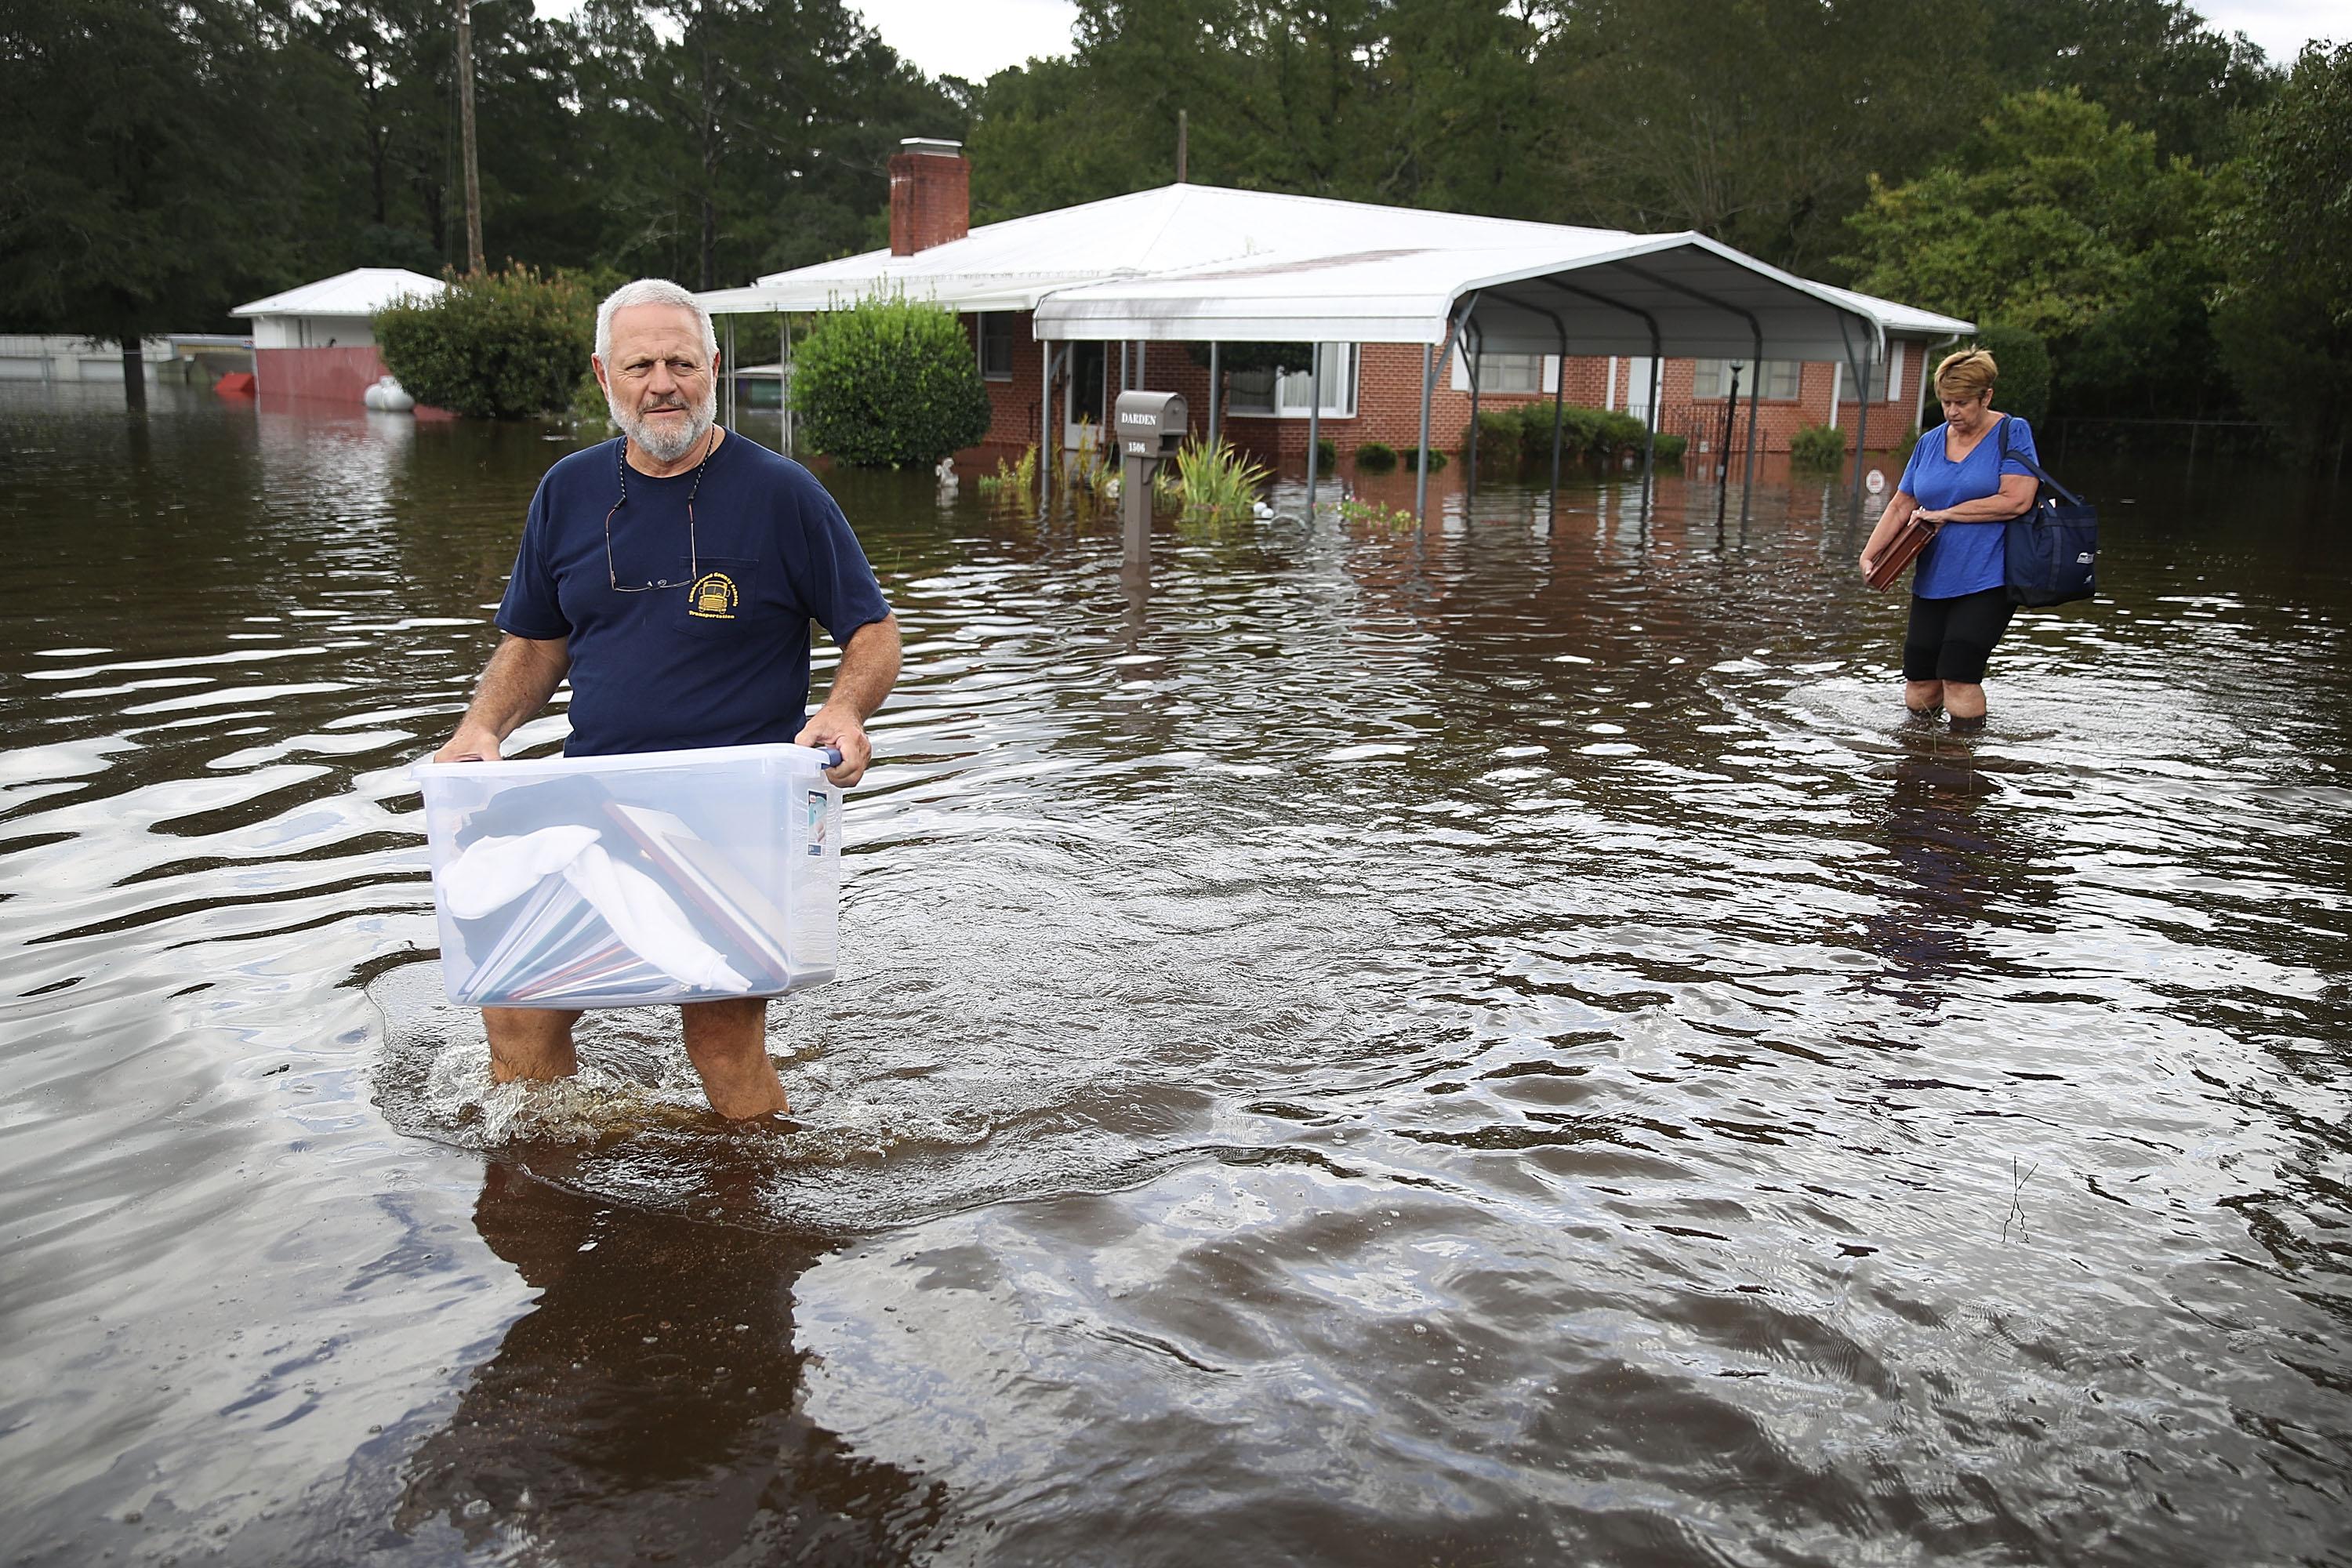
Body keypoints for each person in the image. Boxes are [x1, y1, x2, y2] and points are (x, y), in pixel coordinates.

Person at [433, 278, 901, 1120]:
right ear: (603, 374)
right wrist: (482, 726)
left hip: (730, 819)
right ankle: (554, 1175)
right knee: (516, 1006)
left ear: (712, 367)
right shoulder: (567, 492)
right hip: (594, 803)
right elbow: (538, 641)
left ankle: (756, 1198)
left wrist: (844, 710)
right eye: (639, 363)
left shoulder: (782, 493)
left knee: (719, 1036)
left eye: (680, 361)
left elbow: (871, 631)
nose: (662, 382)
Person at [1857, 347, 2038, 733]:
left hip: (1990, 577)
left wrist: (1947, 513)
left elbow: (2016, 500)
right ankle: (1920, 758)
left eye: (1962, 403)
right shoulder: (1929, 442)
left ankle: (1961, 769)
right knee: (1920, 682)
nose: (1952, 412)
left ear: (1986, 397)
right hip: (1933, 578)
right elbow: (1901, 504)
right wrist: (1871, 555)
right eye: (1945, 403)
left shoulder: (2013, 433)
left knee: (1959, 673)